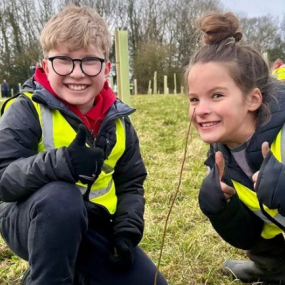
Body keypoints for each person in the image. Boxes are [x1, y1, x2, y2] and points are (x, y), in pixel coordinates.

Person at [0, 6, 168, 285]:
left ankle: (78, 270)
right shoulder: (26, 109)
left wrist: (126, 231)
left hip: (94, 227)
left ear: (107, 67)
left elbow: (131, 183)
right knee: (61, 199)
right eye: (63, 60)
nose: (77, 73)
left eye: (90, 61)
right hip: (31, 223)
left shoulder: (119, 121)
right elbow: (3, 178)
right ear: (44, 65)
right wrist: (60, 163)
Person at [186, 12, 285, 284]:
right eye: (194, 98)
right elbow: (250, 234)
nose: (201, 110)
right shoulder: (222, 153)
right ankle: (273, 268)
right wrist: (222, 211)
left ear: (252, 99)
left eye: (216, 95)